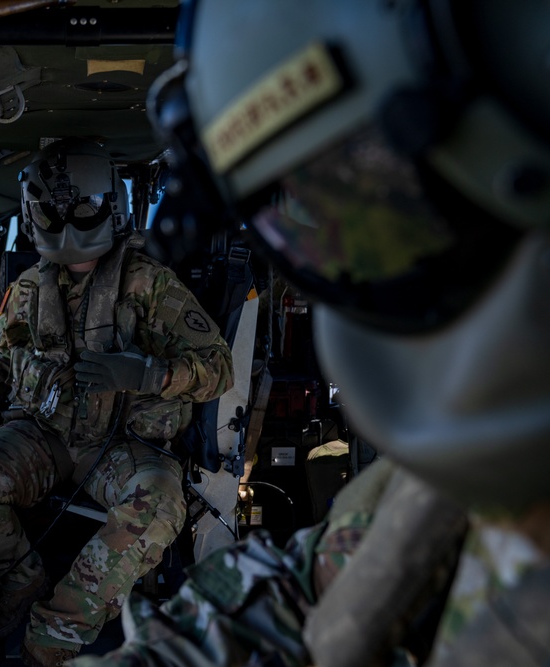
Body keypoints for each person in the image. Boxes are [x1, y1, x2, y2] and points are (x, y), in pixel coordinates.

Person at [72, 1, 550, 665]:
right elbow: (305, 589)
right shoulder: (462, 474)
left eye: (377, 204)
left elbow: (214, 368)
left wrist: (147, 377)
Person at [0, 138, 234, 666]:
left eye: (81, 208)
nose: (69, 222)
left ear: (111, 209)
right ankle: (19, 580)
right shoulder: (28, 290)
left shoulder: (150, 286)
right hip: (43, 434)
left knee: (158, 505)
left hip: (123, 447)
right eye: (54, 211)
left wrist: (146, 373)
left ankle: (52, 638)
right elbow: (7, 360)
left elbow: (218, 368)